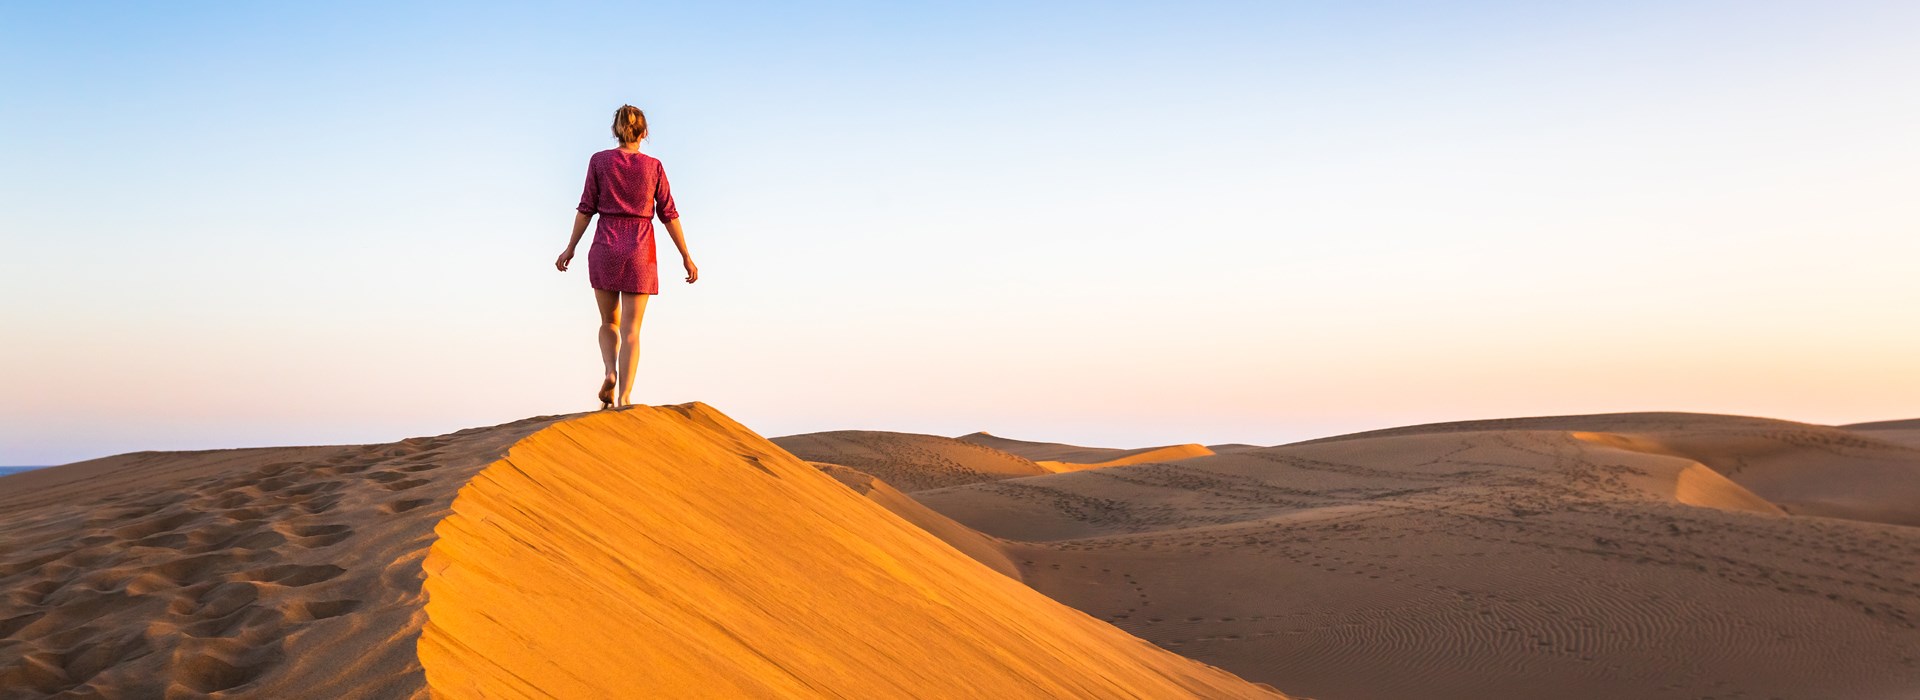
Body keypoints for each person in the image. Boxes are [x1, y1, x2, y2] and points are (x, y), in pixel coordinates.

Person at [555, 104, 698, 409]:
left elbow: (585, 210)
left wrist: (570, 248)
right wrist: (686, 256)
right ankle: (625, 396)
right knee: (632, 330)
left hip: (605, 245)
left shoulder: (599, 162)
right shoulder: (654, 167)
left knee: (609, 322)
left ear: (615, 131)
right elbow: (668, 214)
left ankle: (609, 372)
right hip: (640, 249)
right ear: (644, 133)